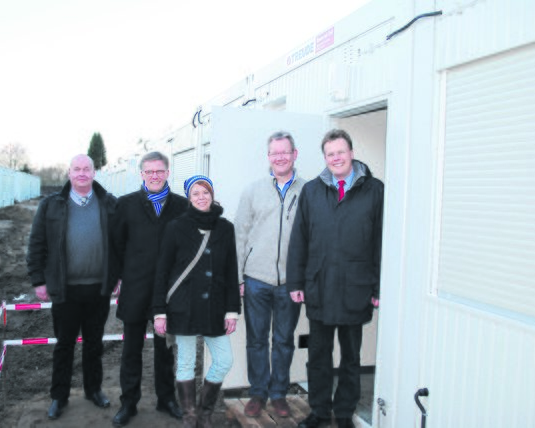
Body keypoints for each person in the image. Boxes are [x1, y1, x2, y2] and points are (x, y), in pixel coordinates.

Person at [287, 129, 383, 428]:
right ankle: (319, 412)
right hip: (320, 287)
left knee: (351, 358)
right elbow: (299, 239)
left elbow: (382, 242)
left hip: (357, 287)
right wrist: (296, 282)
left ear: (351, 153)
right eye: (330, 154)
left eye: (340, 152)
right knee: (319, 356)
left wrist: (378, 286)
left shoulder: (375, 190)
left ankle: (343, 414)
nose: (336, 158)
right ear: (325, 158)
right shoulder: (313, 191)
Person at [26, 154, 117, 420]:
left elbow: (120, 244)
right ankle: (59, 396)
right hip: (66, 291)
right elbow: (36, 245)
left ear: (93, 173)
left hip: (98, 289)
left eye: (86, 169)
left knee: (94, 344)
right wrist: (38, 280)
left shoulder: (109, 203)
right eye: (76, 169)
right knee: (64, 345)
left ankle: (93, 390)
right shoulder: (51, 205)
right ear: (69, 173)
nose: (81, 173)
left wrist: (118, 276)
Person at [153, 175, 241, 428]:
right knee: (186, 362)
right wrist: (159, 311)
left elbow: (230, 269)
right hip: (183, 305)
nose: (201, 197)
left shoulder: (225, 228)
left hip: (215, 306)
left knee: (224, 360)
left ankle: (204, 411)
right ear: (189, 198)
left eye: (205, 192)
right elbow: (162, 271)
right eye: (195, 194)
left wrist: (232, 310)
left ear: (212, 194)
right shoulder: (175, 227)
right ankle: (191, 417)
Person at [110, 151, 187, 426]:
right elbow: (115, 246)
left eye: (159, 171)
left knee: (165, 351)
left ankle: (166, 399)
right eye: (149, 172)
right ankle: (128, 403)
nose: (154, 176)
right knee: (131, 351)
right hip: (135, 289)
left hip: (168, 294)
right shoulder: (126, 205)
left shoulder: (182, 206)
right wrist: (117, 278)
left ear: (167, 173)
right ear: (142, 174)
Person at [234, 131, 305, 418]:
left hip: (291, 282)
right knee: (256, 340)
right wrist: (239, 276)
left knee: (284, 340)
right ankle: (258, 392)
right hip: (256, 280)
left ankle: (278, 394)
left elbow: (313, 237)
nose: (279, 157)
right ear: (268, 157)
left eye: (284, 152)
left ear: (294, 154)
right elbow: (240, 234)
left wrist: (305, 278)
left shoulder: (308, 191)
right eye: (274, 152)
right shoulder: (252, 191)